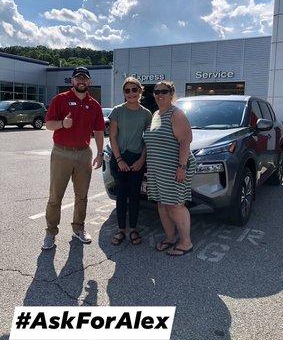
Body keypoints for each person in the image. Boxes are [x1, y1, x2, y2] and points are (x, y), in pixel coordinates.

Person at [42, 67, 105, 250]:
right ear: (72, 81)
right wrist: (63, 123)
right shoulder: (59, 99)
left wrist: (100, 153)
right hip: (61, 152)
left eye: (85, 79)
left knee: (82, 195)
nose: (81, 81)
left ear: (89, 82)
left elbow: (99, 131)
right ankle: (50, 233)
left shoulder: (94, 105)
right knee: (55, 196)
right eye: (78, 78)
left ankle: (79, 229)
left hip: (84, 153)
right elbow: (48, 125)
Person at [143, 81, 196, 256]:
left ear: (171, 93)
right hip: (158, 170)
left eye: (164, 91)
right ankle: (170, 237)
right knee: (162, 204)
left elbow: (185, 141)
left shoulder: (176, 114)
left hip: (174, 168)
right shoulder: (156, 114)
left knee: (175, 205)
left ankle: (185, 242)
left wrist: (181, 167)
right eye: (156, 91)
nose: (159, 94)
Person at [109, 77, 152, 246]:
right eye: (127, 90)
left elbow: (148, 139)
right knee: (121, 195)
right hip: (119, 158)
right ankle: (121, 230)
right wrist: (119, 159)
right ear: (123, 93)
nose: (131, 93)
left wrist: (142, 159)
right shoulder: (117, 111)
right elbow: (112, 137)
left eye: (134, 89)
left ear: (140, 91)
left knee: (135, 195)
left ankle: (133, 229)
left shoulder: (146, 113)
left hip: (137, 158)